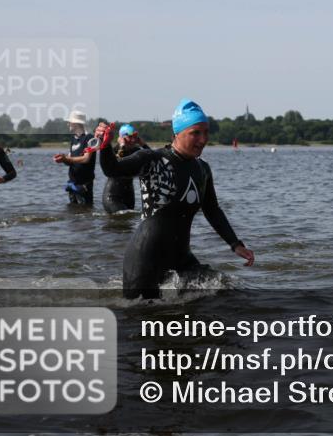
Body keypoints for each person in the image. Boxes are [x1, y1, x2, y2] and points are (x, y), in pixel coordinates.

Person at [96, 99, 254, 299]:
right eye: (195, 133)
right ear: (177, 133)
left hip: (181, 257)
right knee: (141, 318)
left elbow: (212, 209)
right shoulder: (152, 159)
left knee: (224, 293)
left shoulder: (202, 169)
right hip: (145, 259)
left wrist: (235, 244)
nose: (203, 139)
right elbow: (112, 169)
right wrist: (104, 144)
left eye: (206, 132)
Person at [102, 124, 149, 214]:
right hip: (113, 196)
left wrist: (143, 144)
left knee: (128, 224)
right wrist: (122, 146)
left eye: (135, 137)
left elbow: (154, 160)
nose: (133, 140)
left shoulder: (137, 151)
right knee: (119, 220)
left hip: (129, 195)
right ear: (122, 137)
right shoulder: (115, 150)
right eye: (130, 137)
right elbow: (115, 165)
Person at [52, 110, 96, 205]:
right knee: (73, 213)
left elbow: (86, 158)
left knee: (85, 212)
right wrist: (62, 159)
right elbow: (70, 159)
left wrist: (66, 158)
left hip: (84, 184)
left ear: (76, 124)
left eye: (70, 122)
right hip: (73, 183)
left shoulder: (90, 138)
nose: (68, 124)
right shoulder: (73, 138)